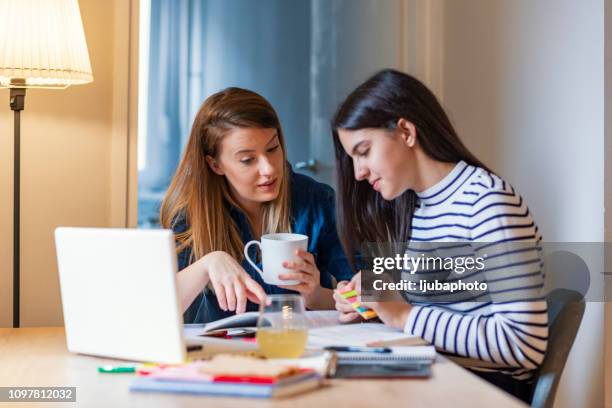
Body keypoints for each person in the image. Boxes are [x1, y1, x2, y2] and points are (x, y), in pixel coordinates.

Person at [331, 69, 548, 403]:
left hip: (479, 390)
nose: (358, 173)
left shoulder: (487, 201)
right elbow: (448, 308)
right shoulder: (420, 206)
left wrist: (403, 315)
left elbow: (523, 345)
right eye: (353, 158)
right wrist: (374, 301)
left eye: (364, 151)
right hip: (434, 376)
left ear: (405, 131)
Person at [160, 87, 352, 324]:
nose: (269, 169)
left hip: (301, 347)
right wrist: (207, 264)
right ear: (215, 164)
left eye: (273, 149)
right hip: (221, 353)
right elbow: (154, 311)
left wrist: (316, 295)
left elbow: (378, 290)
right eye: (247, 160)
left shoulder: (318, 200)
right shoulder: (191, 215)